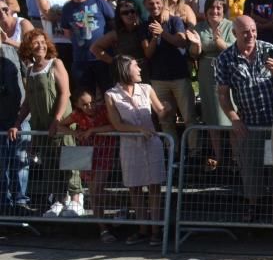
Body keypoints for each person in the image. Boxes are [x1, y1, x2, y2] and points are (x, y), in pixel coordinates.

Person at [216, 16, 273, 222]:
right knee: (251, 169)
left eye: (253, 30)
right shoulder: (225, 59)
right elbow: (222, 94)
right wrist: (233, 118)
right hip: (249, 124)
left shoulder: (269, 49)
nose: (251, 35)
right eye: (245, 32)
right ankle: (253, 208)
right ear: (235, 34)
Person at [10, 30, 84, 218]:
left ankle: (76, 199)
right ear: (29, 47)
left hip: (61, 122)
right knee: (50, 163)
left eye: (43, 42)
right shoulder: (30, 70)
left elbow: (65, 93)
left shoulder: (55, 64)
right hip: (40, 124)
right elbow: (28, 101)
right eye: (36, 43)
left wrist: (57, 119)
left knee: (70, 157)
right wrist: (17, 123)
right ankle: (59, 200)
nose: (41, 46)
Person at [105, 55, 168, 246]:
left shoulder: (147, 89)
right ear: (125, 69)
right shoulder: (111, 95)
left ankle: (156, 230)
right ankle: (142, 229)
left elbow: (161, 112)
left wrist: (169, 109)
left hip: (152, 144)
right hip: (131, 146)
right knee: (135, 189)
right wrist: (138, 130)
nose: (139, 69)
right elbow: (117, 124)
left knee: (155, 188)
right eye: (135, 66)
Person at [141, 0, 199, 154]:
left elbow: (181, 42)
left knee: (189, 117)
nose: (155, 6)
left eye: (158, 3)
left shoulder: (175, 21)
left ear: (163, 3)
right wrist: (154, 37)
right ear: (145, 5)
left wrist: (163, 33)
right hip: (158, 79)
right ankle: (173, 151)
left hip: (180, 75)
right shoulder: (144, 26)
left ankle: (194, 151)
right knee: (165, 118)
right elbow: (147, 53)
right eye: (151, 3)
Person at [55, 89, 116, 241]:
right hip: (87, 155)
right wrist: (75, 133)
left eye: (92, 103)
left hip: (104, 153)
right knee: (95, 192)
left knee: (96, 189)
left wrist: (93, 130)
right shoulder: (77, 115)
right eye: (85, 105)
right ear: (78, 106)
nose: (90, 107)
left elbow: (115, 126)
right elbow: (60, 126)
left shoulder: (104, 110)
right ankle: (103, 228)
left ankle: (113, 213)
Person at [190, 0, 235, 172]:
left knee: (231, 116)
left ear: (223, 10)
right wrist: (196, 46)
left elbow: (237, 50)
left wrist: (221, 44)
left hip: (228, 74)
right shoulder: (198, 28)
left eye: (219, 8)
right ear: (206, 10)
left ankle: (235, 158)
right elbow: (194, 54)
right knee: (211, 117)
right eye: (212, 8)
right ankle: (219, 158)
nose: (215, 11)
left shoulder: (231, 26)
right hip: (207, 74)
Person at [59, 0, 116, 94]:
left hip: (102, 56)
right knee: (86, 95)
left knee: (109, 92)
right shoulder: (67, 8)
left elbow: (112, 22)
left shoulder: (97, 1)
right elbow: (67, 32)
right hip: (81, 59)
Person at [0, 41, 30, 215]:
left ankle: (20, 200)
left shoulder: (13, 51)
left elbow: (28, 77)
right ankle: (4, 203)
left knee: (21, 160)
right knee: (1, 162)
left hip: (20, 115)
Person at [90, 1, 146, 75]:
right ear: (120, 16)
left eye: (132, 11)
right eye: (125, 13)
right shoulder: (115, 34)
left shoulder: (143, 29)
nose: (130, 14)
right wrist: (114, 62)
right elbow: (94, 48)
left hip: (144, 70)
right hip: (125, 73)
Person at [36, 0, 73, 64]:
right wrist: (65, 14)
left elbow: (73, 16)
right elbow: (49, 16)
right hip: (52, 41)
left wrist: (55, 13)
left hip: (69, 40)